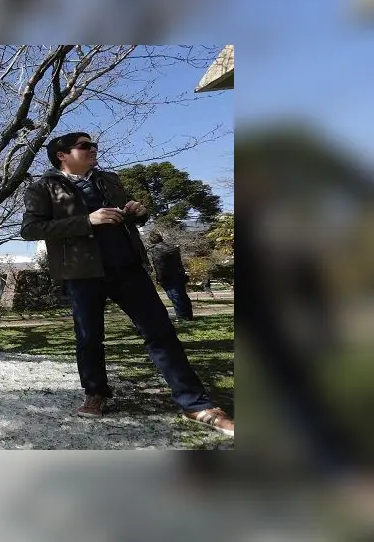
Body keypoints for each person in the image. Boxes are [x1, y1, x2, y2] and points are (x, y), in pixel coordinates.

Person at [20, 132, 233, 436]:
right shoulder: (43, 187)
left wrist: (137, 213)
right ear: (62, 155)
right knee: (89, 338)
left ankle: (195, 404)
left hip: (129, 268)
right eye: (85, 146)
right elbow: (29, 229)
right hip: (82, 274)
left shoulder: (109, 179)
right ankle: (96, 392)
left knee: (161, 333)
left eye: (94, 144)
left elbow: (128, 219)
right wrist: (87, 221)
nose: (94, 149)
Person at [146, 230, 194, 322]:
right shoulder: (170, 247)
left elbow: (159, 265)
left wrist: (160, 278)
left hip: (168, 276)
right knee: (182, 295)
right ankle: (187, 315)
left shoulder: (157, 249)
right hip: (179, 274)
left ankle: (182, 317)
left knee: (175, 296)